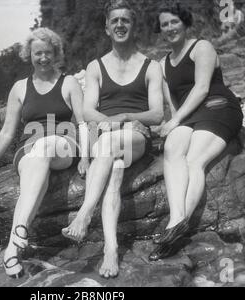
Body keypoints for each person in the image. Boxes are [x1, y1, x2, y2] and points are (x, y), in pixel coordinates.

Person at [0, 28, 89, 279]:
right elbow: (6, 131)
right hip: (28, 149)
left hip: (63, 144)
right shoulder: (19, 88)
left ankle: (18, 234)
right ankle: (12, 250)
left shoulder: (68, 82)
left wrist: (87, 157)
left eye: (48, 52)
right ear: (29, 55)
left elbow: (82, 122)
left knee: (45, 147)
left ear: (56, 53)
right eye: (38, 53)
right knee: (38, 166)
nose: (44, 58)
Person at [61, 0, 164, 279]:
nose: (120, 25)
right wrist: (108, 123)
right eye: (114, 21)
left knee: (109, 147)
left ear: (133, 26)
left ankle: (83, 214)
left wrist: (125, 116)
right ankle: (111, 249)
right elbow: (88, 110)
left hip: (136, 135)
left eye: (125, 20)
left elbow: (157, 114)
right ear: (106, 28)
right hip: (107, 137)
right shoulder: (95, 67)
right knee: (114, 175)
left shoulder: (150, 66)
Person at [150, 2, 244, 261]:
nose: (169, 28)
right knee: (172, 147)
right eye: (164, 24)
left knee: (194, 160)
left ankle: (177, 225)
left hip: (218, 107)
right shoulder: (162, 63)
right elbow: (174, 105)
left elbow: (202, 88)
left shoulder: (201, 47)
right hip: (189, 116)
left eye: (174, 22)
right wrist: (173, 123)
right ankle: (177, 219)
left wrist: (176, 119)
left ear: (184, 22)